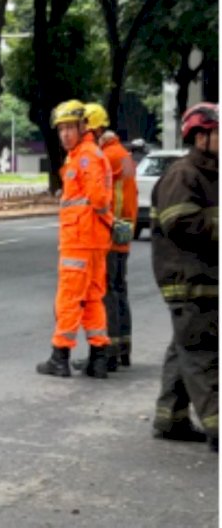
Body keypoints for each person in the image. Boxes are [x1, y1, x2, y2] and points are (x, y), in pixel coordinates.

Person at [150, 102, 218, 451]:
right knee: (201, 353)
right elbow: (179, 222)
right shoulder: (183, 174)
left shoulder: (211, 174)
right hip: (188, 279)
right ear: (201, 136)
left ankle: (170, 418)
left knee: (185, 344)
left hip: (204, 277)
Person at [36, 100, 113, 379]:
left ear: (83, 127)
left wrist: (100, 218)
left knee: (68, 299)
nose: (66, 134)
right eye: (62, 129)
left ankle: (60, 356)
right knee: (93, 299)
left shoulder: (85, 156)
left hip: (80, 240)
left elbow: (99, 198)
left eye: (71, 128)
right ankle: (99, 357)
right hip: (91, 240)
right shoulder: (85, 153)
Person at [76, 103, 138, 371]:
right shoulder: (122, 154)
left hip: (110, 233)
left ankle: (108, 351)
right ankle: (123, 348)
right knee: (119, 290)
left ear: (96, 128)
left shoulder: (105, 157)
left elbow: (102, 199)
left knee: (106, 293)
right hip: (124, 231)